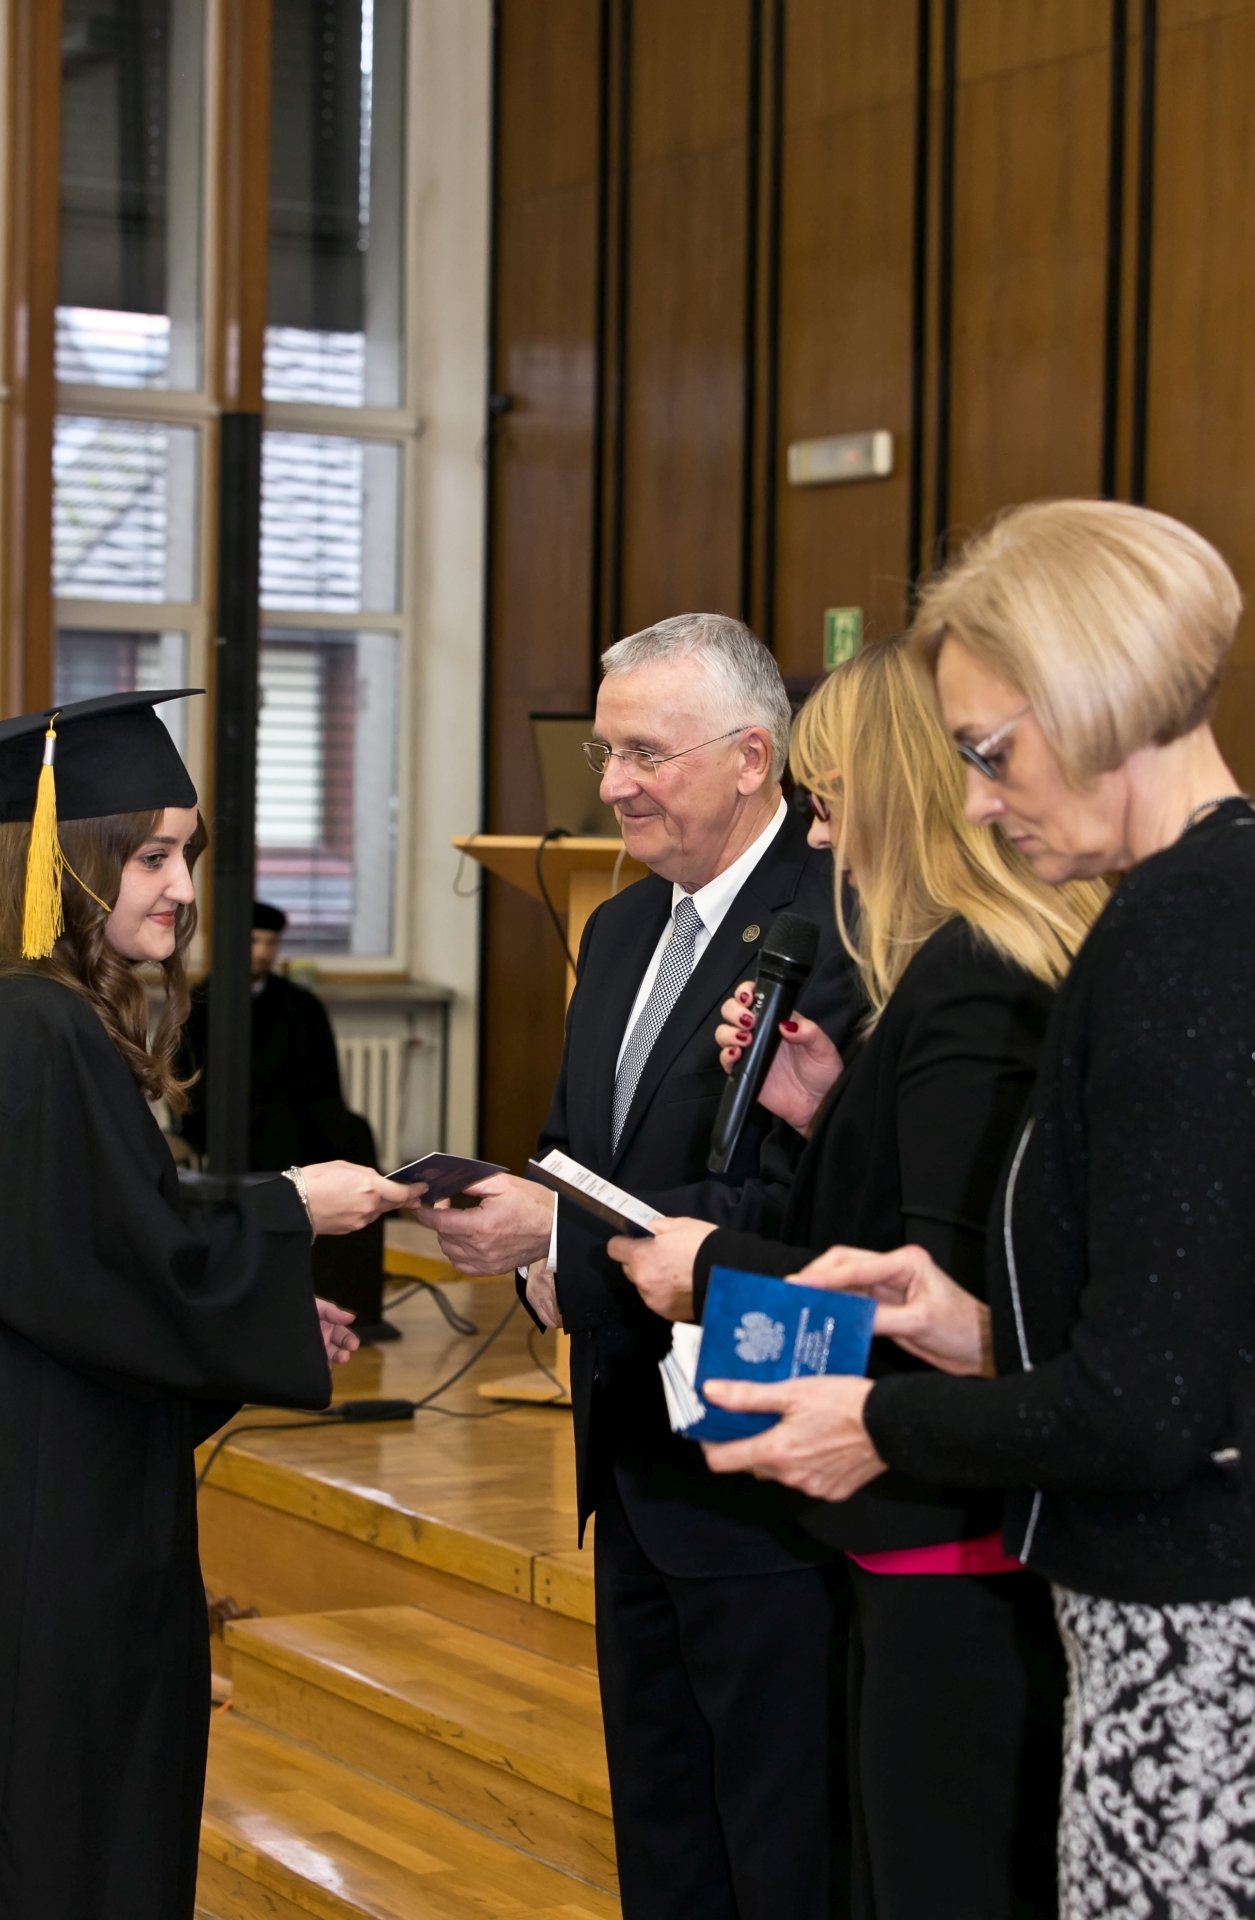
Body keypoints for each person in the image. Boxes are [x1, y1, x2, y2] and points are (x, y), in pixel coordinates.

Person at [699, 500, 1255, 1920]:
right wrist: (974, 1328)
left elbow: (1146, 1410)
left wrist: (876, 1421)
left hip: (1196, 1638)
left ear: (1091, 696)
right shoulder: (1214, 896)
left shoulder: (1177, 932)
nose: (983, 802)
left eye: (990, 752)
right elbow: (1202, 1330)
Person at [611, 638, 1103, 1919]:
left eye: (830, 803)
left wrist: (708, 1266)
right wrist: (823, 1106)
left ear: (898, 796)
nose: (820, 840)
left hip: (945, 1524)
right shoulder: (961, 967)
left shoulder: (965, 973)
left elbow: (934, 1285)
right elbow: (944, 1208)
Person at [417, 614, 857, 1920]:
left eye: (644, 754)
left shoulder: (836, 924)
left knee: (780, 1846)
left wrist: (560, 1244)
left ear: (752, 758)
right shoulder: (617, 931)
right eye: (604, 752)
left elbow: (795, 1202)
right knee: (664, 1838)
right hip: (626, 1451)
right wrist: (536, 1245)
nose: (611, 785)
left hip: (764, 1474)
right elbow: (579, 1152)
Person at [0, 690, 424, 1920]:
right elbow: (113, 1269)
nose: (181, 888)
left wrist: (266, 1299)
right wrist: (290, 1208)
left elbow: (98, 1250)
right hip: (55, 1515)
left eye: (188, 855)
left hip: (41, 1473)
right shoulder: (37, 1026)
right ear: (69, 858)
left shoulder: (24, 1010)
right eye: (152, 857)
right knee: (60, 1827)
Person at [178, 899, 396, 1340]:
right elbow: (186, 1081)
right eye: (253, 941)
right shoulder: (198, 1005)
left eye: (270, 942)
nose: (262, 952)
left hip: (297, 1113)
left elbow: (324, 1083)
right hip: (225, 1121)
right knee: (276, 1133)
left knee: (353, 1133)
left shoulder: (300, 1004)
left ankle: (354, 1289)